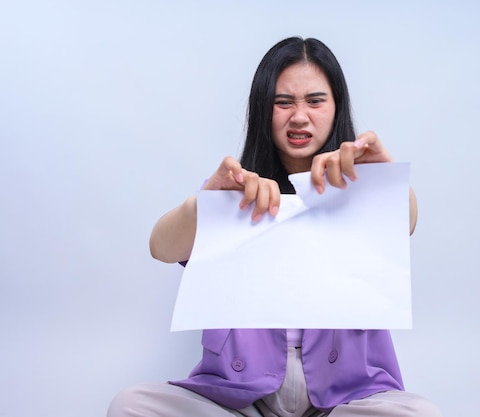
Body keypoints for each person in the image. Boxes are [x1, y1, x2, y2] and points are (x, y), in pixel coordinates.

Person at [108, 36, 442, 417]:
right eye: (283, 103)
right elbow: (161, 248)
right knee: (131, 405)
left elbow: (406, 221)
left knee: (420, 414)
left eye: (315, 101)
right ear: (263, 110)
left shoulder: (363, 189)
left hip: (345, 398)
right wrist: (202, 202)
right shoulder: (238, 189)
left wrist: (384, 180)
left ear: (336, 107)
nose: (299, 116)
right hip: (241, 400)